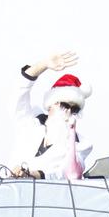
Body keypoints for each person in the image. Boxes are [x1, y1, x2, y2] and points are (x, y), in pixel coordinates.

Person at [11, 50, 92, 180]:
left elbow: (68, 173)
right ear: (51, 104)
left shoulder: (81, 144)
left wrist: (34, 174)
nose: (68, 112)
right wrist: (43, 65)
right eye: (64, 105)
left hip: (48, 196)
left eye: (74, 109)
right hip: (10, 191)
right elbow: (18, 93)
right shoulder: (30, 121)